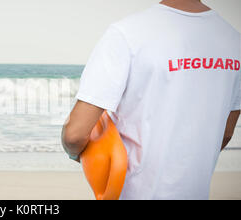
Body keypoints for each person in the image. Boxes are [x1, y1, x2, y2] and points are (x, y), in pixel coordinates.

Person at [62, 0, 241, 200]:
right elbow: (224, 134)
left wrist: (79, 154)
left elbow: (75, 135)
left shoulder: (127, 33)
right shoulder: (234, 41)